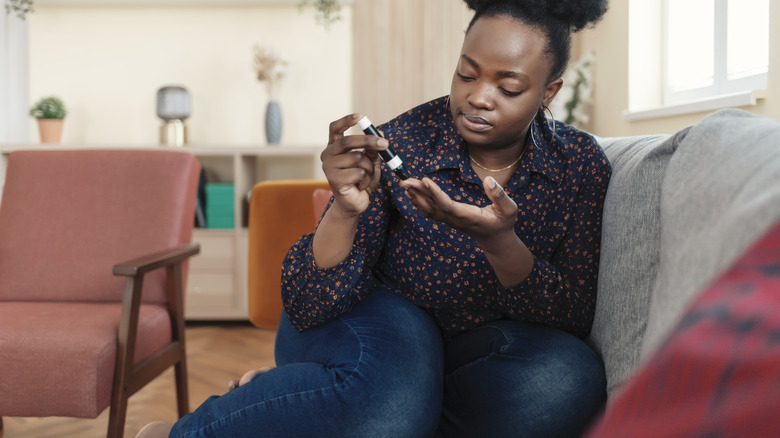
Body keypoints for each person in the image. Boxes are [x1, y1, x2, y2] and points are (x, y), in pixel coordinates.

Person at [137, 0, 610, 436]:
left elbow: (569, 316)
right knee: (394, 394)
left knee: (568, 376)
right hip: (369, 320)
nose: (479, 98)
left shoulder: (580, 166)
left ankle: (323, 401)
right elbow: (307, 303)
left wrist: (501, 242)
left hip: (472, 353)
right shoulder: (401, 141)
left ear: (549, 91)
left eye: (508, 87)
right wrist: (343, 208)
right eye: (466, 75)